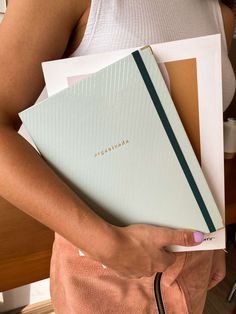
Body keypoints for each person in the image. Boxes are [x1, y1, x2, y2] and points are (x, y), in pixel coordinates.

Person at [0, 1, 235, 313]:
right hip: (103, 265)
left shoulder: (220, 13)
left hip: (194, 258)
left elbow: (205, 130)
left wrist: (215, 236)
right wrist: (104, 243)